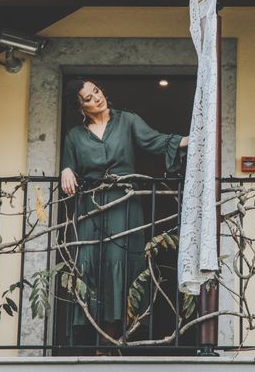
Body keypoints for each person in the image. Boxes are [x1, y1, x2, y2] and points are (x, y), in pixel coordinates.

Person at [60, 78, 188, 345]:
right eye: (88, 98)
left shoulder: (127, 121)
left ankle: (116, 339)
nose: (96, 98)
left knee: (121, 262)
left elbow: (157, 142)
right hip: (91, 209)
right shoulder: (73, 136)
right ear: (80, 107)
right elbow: (69, 166)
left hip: (124, 206)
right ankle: (92, 338)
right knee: (89, 264)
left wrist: (193, 139)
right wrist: (66, 169)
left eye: (96, 91)